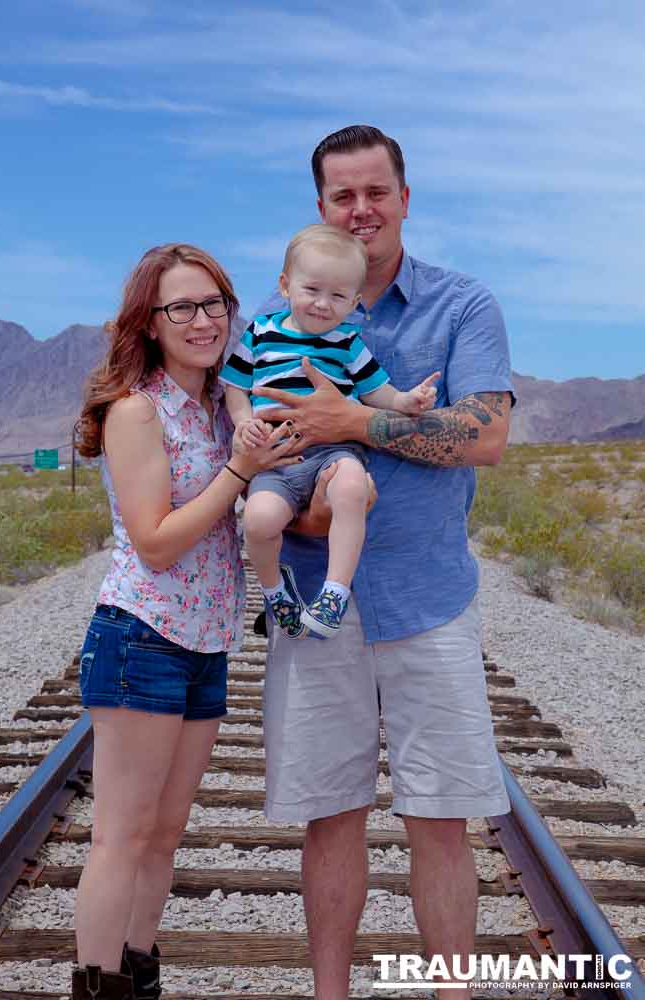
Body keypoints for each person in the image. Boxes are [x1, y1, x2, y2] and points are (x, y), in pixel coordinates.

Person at [256, 126, 515, 1000]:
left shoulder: (461, 305)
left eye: (375, 192)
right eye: (342, 197)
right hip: (312, 597)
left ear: (404, 195)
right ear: (320, 207)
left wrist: (354, 424)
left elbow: (484, 436)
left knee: (440, 818)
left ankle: (451, 992)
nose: (360, 210)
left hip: (426, 597)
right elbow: (239, 430)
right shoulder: (288, 312)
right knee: (329, 818)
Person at [72, 243, 300, 1000]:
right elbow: (158, 543)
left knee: (164, 835)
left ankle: (139, 973)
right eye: (182, 307)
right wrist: (239, 473)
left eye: (214, 304)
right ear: (150, 320)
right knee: (121, 837)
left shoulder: (219, 406)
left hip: (205, 642)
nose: (202, 321)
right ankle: (96, 985)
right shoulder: (136, 411)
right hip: (142, 636)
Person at [220, 223, 438, 639]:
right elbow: (235, 385)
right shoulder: (261, 332)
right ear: (286, 286)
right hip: (277, 459)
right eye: (312, 290)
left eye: (338, 296)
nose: (323, 304)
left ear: (354, 301)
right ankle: (275, 591)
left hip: (335, 454)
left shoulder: (348, 343)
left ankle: (333, 592)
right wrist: (244, 422)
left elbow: (378, 392)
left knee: (352, 490)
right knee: (259, 520)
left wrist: (407, 402)